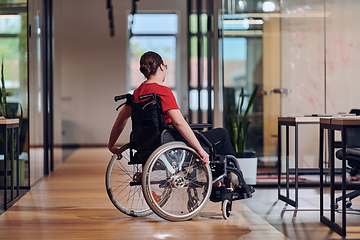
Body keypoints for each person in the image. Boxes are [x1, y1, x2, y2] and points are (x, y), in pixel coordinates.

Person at [108, 51, 234, 165]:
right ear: (162, 67)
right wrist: (200, 151)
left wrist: (111, 145)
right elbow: (179, 123)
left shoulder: (137, 93)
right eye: (165, 67)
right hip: (171, 141)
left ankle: (220, 182)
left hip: (146, 144)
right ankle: (228, 182)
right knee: (221, 134)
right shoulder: (162, 91)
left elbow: (121, 118)